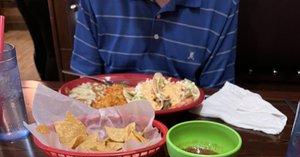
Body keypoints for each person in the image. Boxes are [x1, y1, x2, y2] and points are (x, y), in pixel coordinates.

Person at [71, 0, 239, 88]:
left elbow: (215, 96)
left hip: (184, 131)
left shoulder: (222, 5)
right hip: (111, 124)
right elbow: (87, 84)